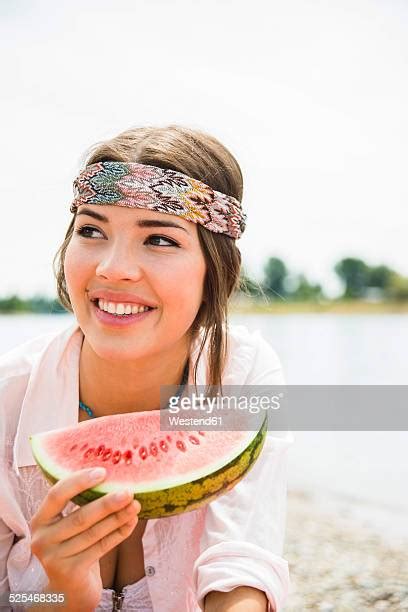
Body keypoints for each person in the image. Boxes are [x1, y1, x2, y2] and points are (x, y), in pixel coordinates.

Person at [0, 125, 293, 612]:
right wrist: (62, 594)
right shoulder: (8, 398)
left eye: (159, 239)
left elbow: (241, 566)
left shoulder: (243, 372)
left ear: (217, 271)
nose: (114, 268)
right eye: (91, 230)